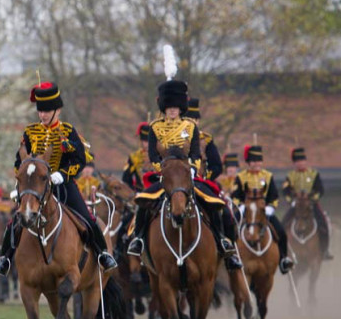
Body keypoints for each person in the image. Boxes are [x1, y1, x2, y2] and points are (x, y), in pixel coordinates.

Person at [0, 81, 118, 277]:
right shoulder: (30, 132)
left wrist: (63, 174)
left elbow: (80, 159)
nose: (42, 115)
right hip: (35, 187)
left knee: (87, 218)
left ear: (57, 110)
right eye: (40, 111)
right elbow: (20, 162)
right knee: (15, 221)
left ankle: (102, 254)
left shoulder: (68, 131)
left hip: (63, 185)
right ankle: (5, 258)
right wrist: (21, 184)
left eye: (47, 111)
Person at [126, 78, 242, 270]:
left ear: (181, 107)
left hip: (187, 176)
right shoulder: (155, 128)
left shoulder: (190, 127)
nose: (172, 110)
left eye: (175, 106)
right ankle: (138, 239)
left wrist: (193, 168)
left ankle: (222, 240)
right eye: (169, 106)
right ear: (164, 107)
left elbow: (195, 152)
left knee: (215, 202)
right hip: (165, 176)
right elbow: (153, 155)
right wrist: (161, 170)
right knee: (143, 201)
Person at [231, 145, 294, 273]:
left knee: (281, 231)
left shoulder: (268, 176)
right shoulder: (241, 177)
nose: (256, 164)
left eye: (259, 161)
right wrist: (241, 206)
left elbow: (274, 196)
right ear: (248, 163)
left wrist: (271, 207)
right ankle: (231, 257)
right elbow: (235, 196)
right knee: (230, 228)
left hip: (264, 212)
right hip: (246, 211)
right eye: (253, 161)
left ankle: (283, 259)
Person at [282, 147, 333, 260]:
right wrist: (292, 200)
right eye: (298, 161)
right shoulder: (290, 176)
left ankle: (325, 250)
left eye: (302, 161)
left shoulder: (314, 174)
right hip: (296, 205)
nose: (301, 163)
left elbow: (320, 190)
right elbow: (285, 191)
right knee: (283, 223)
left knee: (323, 223)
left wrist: (312, 199)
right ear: (294, 163)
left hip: (311, 204)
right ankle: (283, 252)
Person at [183, 98, 223, 181]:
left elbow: (216, 166)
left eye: (193, 120)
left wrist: (205, 178)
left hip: (200, 181)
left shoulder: (206, 140)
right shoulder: (174, 139)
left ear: (197, 121)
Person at [122, 122, 152, 191]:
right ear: (141, 141)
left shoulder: (160, 156)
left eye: (150, 141)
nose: (147, 144)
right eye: (145, 141)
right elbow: (126, 179)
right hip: (140, 193)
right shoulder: (134, 157)